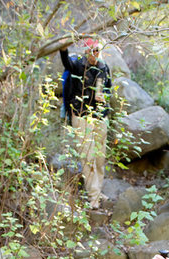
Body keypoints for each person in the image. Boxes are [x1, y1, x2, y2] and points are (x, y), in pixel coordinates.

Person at [60, 38, 111, 209]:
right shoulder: (77, 66)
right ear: (86, 51)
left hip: (100, 116)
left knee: (99, 158)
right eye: (92, 50)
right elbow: (66, 62)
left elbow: (109, 88)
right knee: (87, 158)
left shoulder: (104, 67)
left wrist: (105, 98)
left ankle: (98, 190)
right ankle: (93, 197)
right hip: (81, 116)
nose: (95, 54)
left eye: (98, 50)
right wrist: (63, 49)